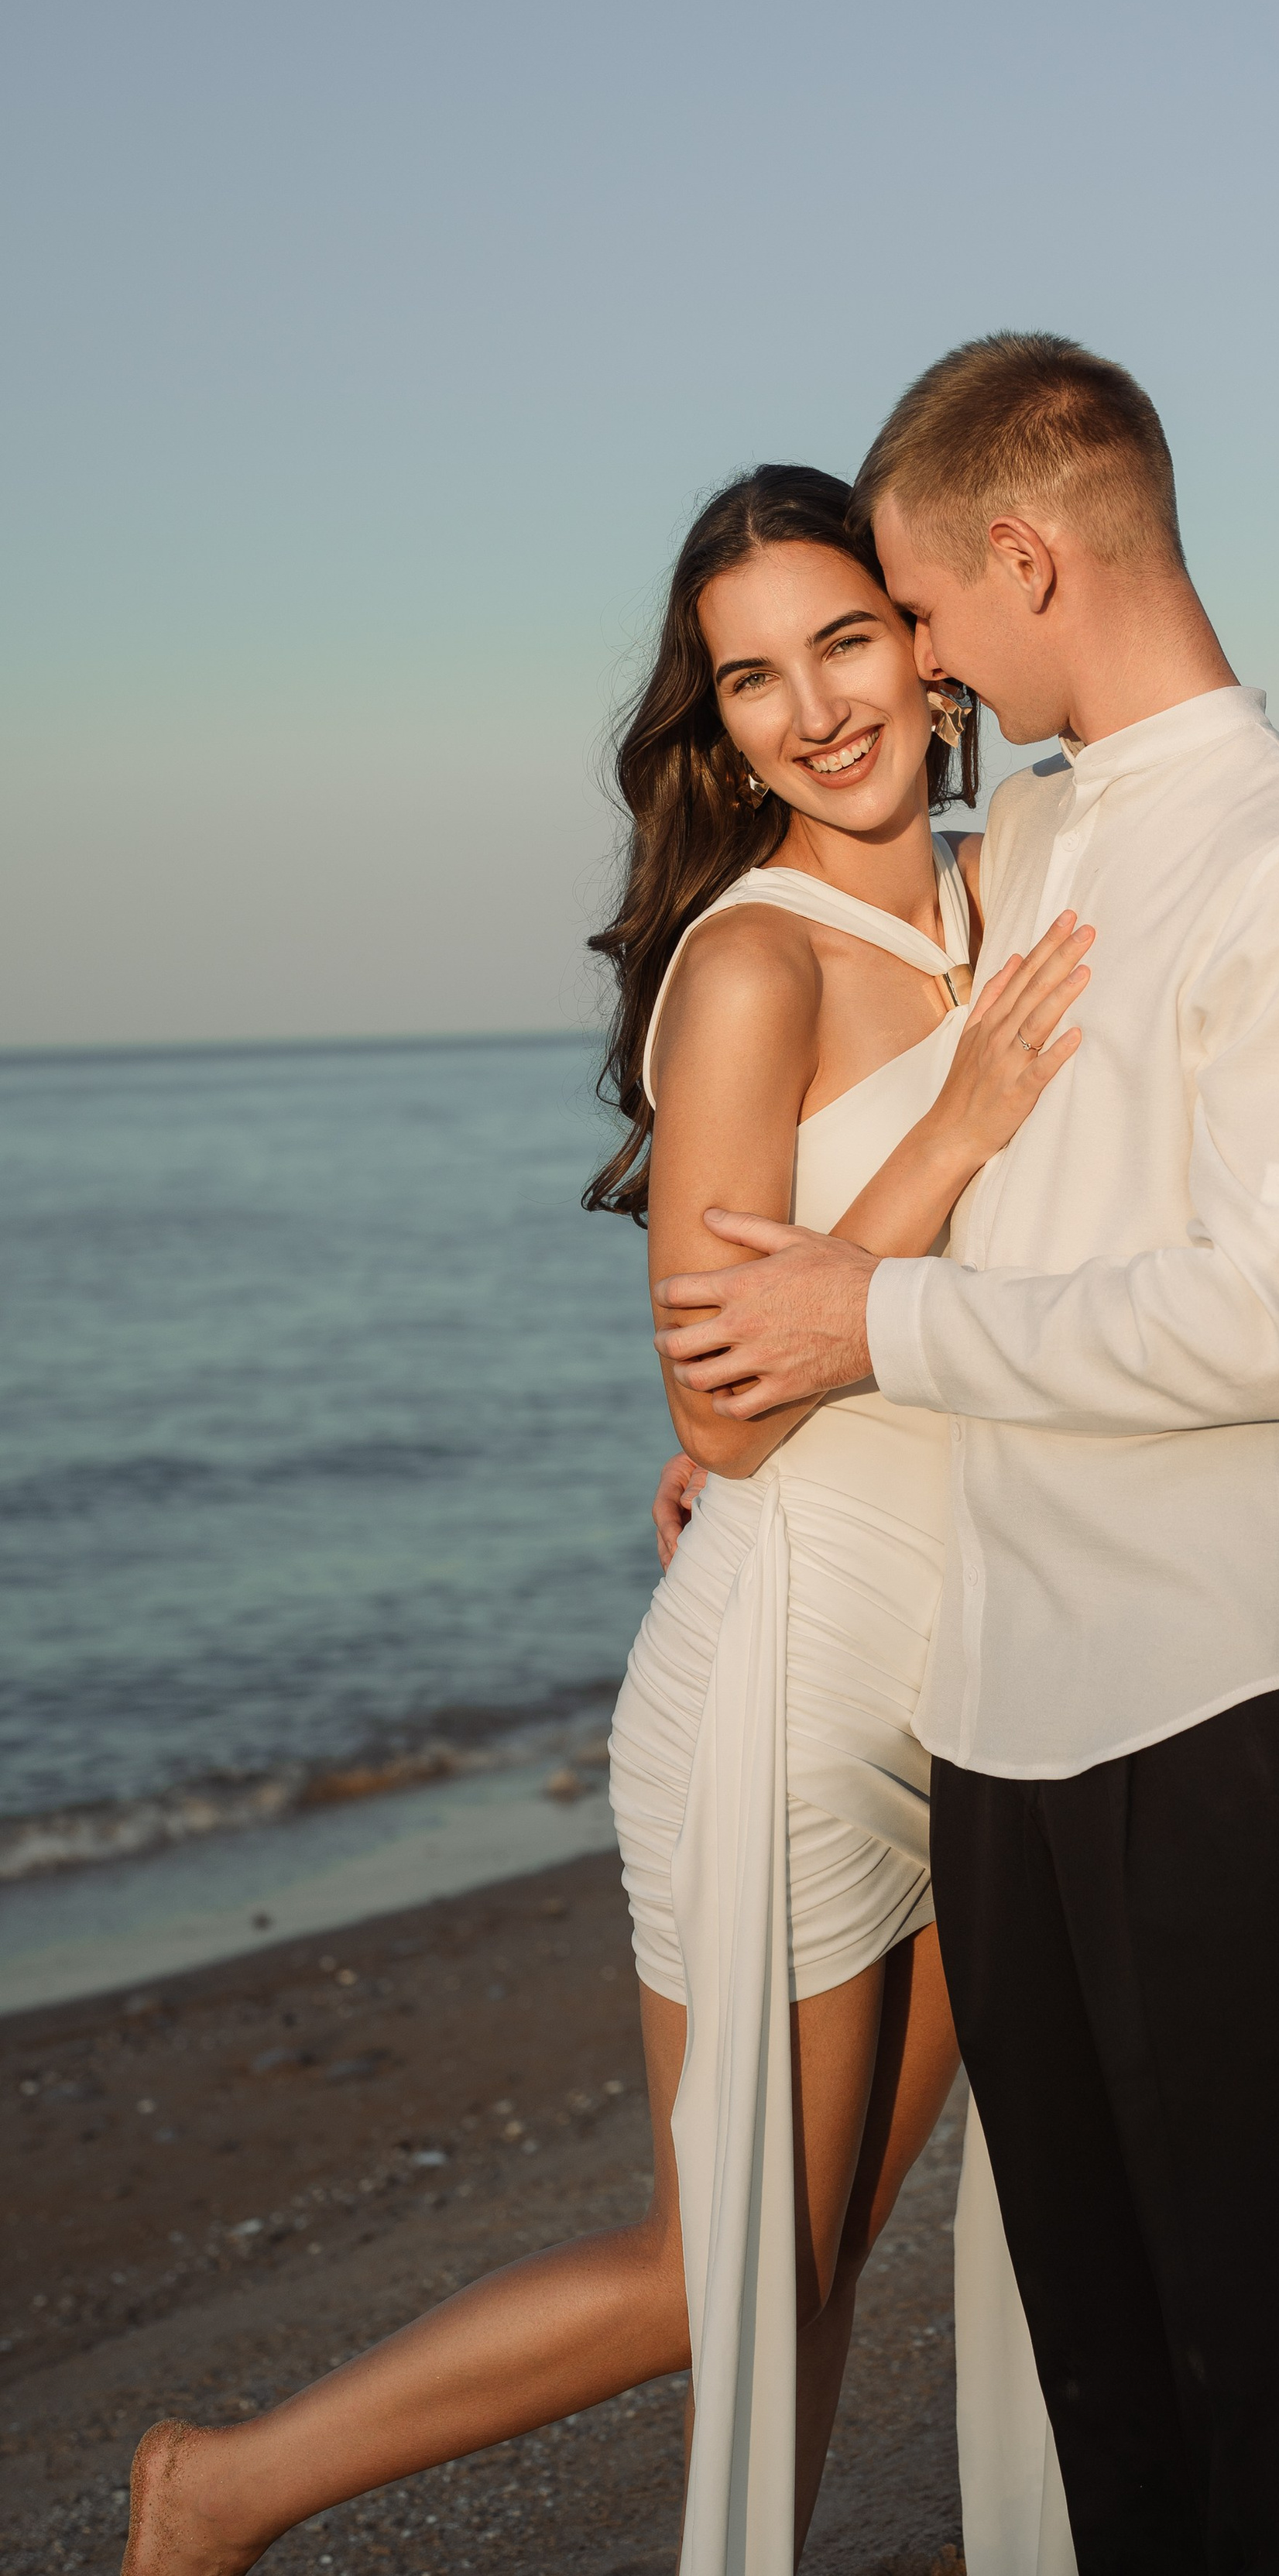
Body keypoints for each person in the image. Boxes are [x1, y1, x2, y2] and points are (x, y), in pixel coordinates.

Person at [122, 465, 1085, 2576]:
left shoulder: (1010, 886)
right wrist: (962, 1139)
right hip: (794, 1691)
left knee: (823, 2263)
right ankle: (219, 2491)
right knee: (719, 2265)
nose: (814, 708)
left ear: (930, 645)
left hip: (987, 1671)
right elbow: (722, 1418)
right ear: (710, 720)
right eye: (752, 676)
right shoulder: (753, 965)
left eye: (845, 639)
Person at [656, 338, 1279, 2576]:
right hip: (1004, 1706)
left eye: (907, 614)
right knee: (1096, 2388)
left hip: (1229, 1697)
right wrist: (767, 1445)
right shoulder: (1067, 818)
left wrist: (858, 1315)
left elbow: (1257, 1319)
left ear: (1021, 564)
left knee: (1268, 2396)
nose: (903, 670)